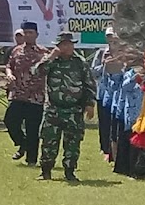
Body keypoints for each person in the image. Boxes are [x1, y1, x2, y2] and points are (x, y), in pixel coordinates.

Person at [34, 32, 96, 182]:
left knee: (72, 143)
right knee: (49, 141)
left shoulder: (80, 62)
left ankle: (70, 171)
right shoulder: (51, 61)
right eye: (63, 44)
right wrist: (51, 57)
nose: (67, 47)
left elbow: (89, 84)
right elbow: (37, 72)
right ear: (58, 46)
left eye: (70, 44)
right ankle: (46, 171)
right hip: (53, 108)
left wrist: (89, 104)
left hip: (74, 109)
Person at [4, 22, 48, 165]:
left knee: (32, 129)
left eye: (30, 33)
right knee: (10, 121)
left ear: (36, 34)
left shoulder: (44, 52)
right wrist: (9, 74)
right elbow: (9, 65)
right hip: (18, 94)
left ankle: (32, 160)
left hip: (35, 97)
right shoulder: (16, 51)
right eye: (25, 33)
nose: (28, 35)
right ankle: (22, 143)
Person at [91, 26, 118, 158]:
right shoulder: (101, 53)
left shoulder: (122, 52)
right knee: (104, 121)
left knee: (115, 123)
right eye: (109, 36)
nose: (111, 38)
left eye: (113, 35)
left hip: (117, 94)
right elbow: (93, 72)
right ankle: (104, 147)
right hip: (103, 92)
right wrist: (103, 65)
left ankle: (113, 149)